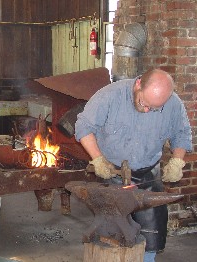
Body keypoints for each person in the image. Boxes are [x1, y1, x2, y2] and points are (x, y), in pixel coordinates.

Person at [74, 69, 192, 262]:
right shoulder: (110, 95)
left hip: (148, 175)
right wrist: (97, 159)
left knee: (151, 236)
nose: (148, 110)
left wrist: (177, 160)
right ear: (138, 84)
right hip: (111, 173)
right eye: (144, 104)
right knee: (112, 235)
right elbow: (84, 126)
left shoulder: (173, 104)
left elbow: (181, 133)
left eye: (155, 109)